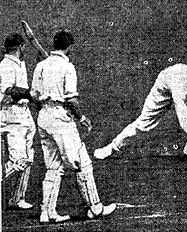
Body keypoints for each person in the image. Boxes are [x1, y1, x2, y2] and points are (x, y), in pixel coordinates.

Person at [31, 30, 116, 223]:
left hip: (43, 117)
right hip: (61, 119)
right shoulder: (68, 67)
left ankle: (47, 213)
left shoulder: (41, 66)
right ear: (69, 47)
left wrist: (47, 107)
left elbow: (34, 96)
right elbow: (71, 100)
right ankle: (95, 208)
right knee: (82, 163)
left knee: (54, 166)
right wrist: (82, 117)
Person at [94, 63, 187, 160]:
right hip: (164, 88)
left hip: (182, 87)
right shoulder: (179, 87)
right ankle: (111, 147)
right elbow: (183, 119)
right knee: (143, 124)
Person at [0, 33, 36, 209]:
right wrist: (30, 93)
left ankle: (17, 198)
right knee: (19, 161)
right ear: (21, 47)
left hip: (25, 114)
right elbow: (9, 90)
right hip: (11, 116)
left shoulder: (20, 64)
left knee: (29, 157)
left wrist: (33, 99)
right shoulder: (6, 65)